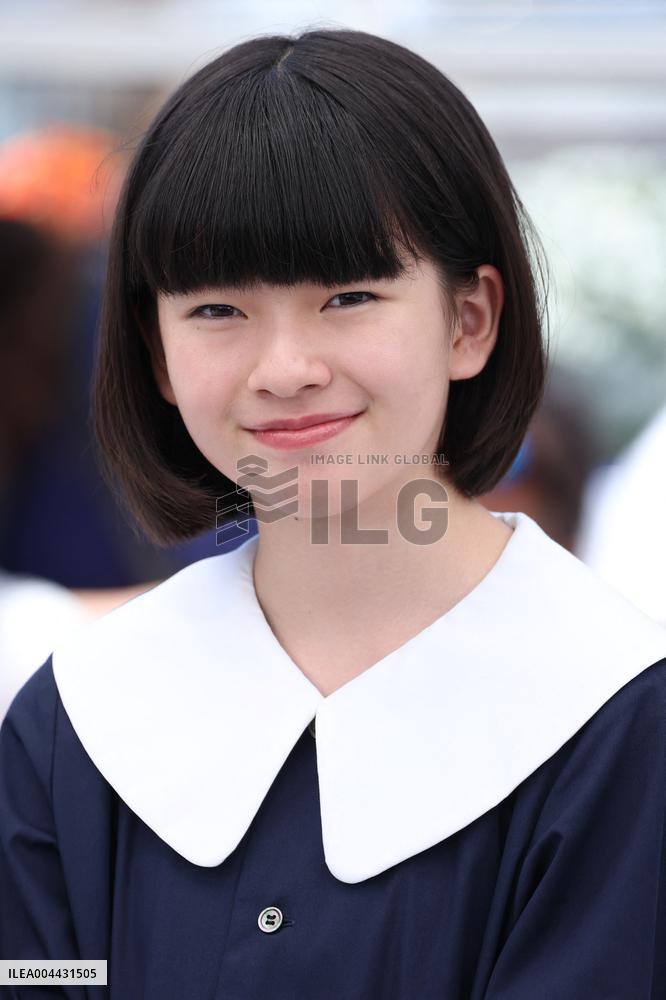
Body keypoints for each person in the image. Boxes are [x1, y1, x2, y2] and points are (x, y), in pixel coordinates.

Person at [1, 28, 665, 999]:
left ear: (470, 319)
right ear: (156, 353)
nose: (285, 369)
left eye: (348, 296)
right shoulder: (78, 720)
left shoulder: (613, 718)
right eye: (217, 310)